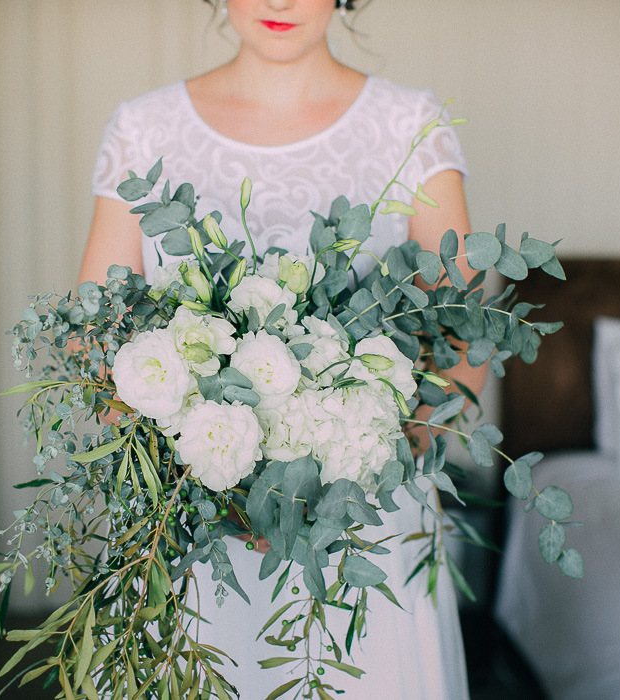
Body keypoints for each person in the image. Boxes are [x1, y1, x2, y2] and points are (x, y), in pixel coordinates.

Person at [80, 1, 483, 697]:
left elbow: (463, 338)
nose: (279, 0)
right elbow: (97, 343)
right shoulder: (144, 129)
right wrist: (221, 492)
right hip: (197, 535)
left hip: (365, 531)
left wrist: (343, 484)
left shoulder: (410, 125)